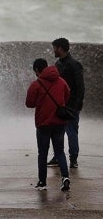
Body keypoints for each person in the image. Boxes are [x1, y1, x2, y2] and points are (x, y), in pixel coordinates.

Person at [25, 58, 71, 192]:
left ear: (37, 70)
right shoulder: (61, 81)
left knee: (43, 153)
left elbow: (29, 103)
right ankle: (65, 177)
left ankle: (42, 182)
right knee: (60, 151)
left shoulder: (36, 84)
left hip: (43, 124)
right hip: (59, 122)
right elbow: (66, 96)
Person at [48, 37, 85, 169]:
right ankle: (59, 157)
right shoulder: (58, 64)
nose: (53, 50)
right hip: (60, 105)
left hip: (70, 106)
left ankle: (73, 159)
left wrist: (75, 105)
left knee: (71, 132)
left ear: (60, 48)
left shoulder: (74, 65)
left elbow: (80, 87)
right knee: (58, 132)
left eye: (55, 48)